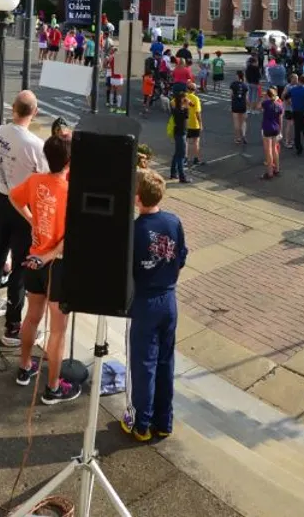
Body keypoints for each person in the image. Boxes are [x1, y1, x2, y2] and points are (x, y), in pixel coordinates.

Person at [11, 135, 80, 404]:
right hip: (57, 266)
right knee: (58, 330)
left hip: (34, 258)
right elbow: (70, 236)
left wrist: (31, 220)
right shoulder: (70, 191)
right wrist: (51, 255)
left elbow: (15, 199)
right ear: (69, 161)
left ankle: (25, 367)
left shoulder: (35, 180)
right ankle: (52, 388)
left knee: (31, 318)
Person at [122, 170, 185, 443]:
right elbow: (181, 256)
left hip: (146, 300)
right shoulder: (173, 221)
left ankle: (141, 422)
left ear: (137, 199)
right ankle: (164, 421)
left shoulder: (135, 231)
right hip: (169, 298)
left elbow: (128, 271)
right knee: (165, 361)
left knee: (143, 363)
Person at [0, 91, 46, 343]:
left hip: (0, 197)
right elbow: (46, 175)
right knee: (20, 264)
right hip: (23, 206)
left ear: (13, 109)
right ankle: (13, 326)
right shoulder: (35, 145)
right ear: (35, 112)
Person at [259, 86, 284, 180]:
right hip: (276, 128)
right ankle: (277, 169)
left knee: (268, 150)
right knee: (275, 149)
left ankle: (269, 173)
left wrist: (262, 97)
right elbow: (280, 118)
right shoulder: (279, 105)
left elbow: (257, 106)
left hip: (267, 128)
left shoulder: (266, 103)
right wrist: (280, 130)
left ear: (268, 95)